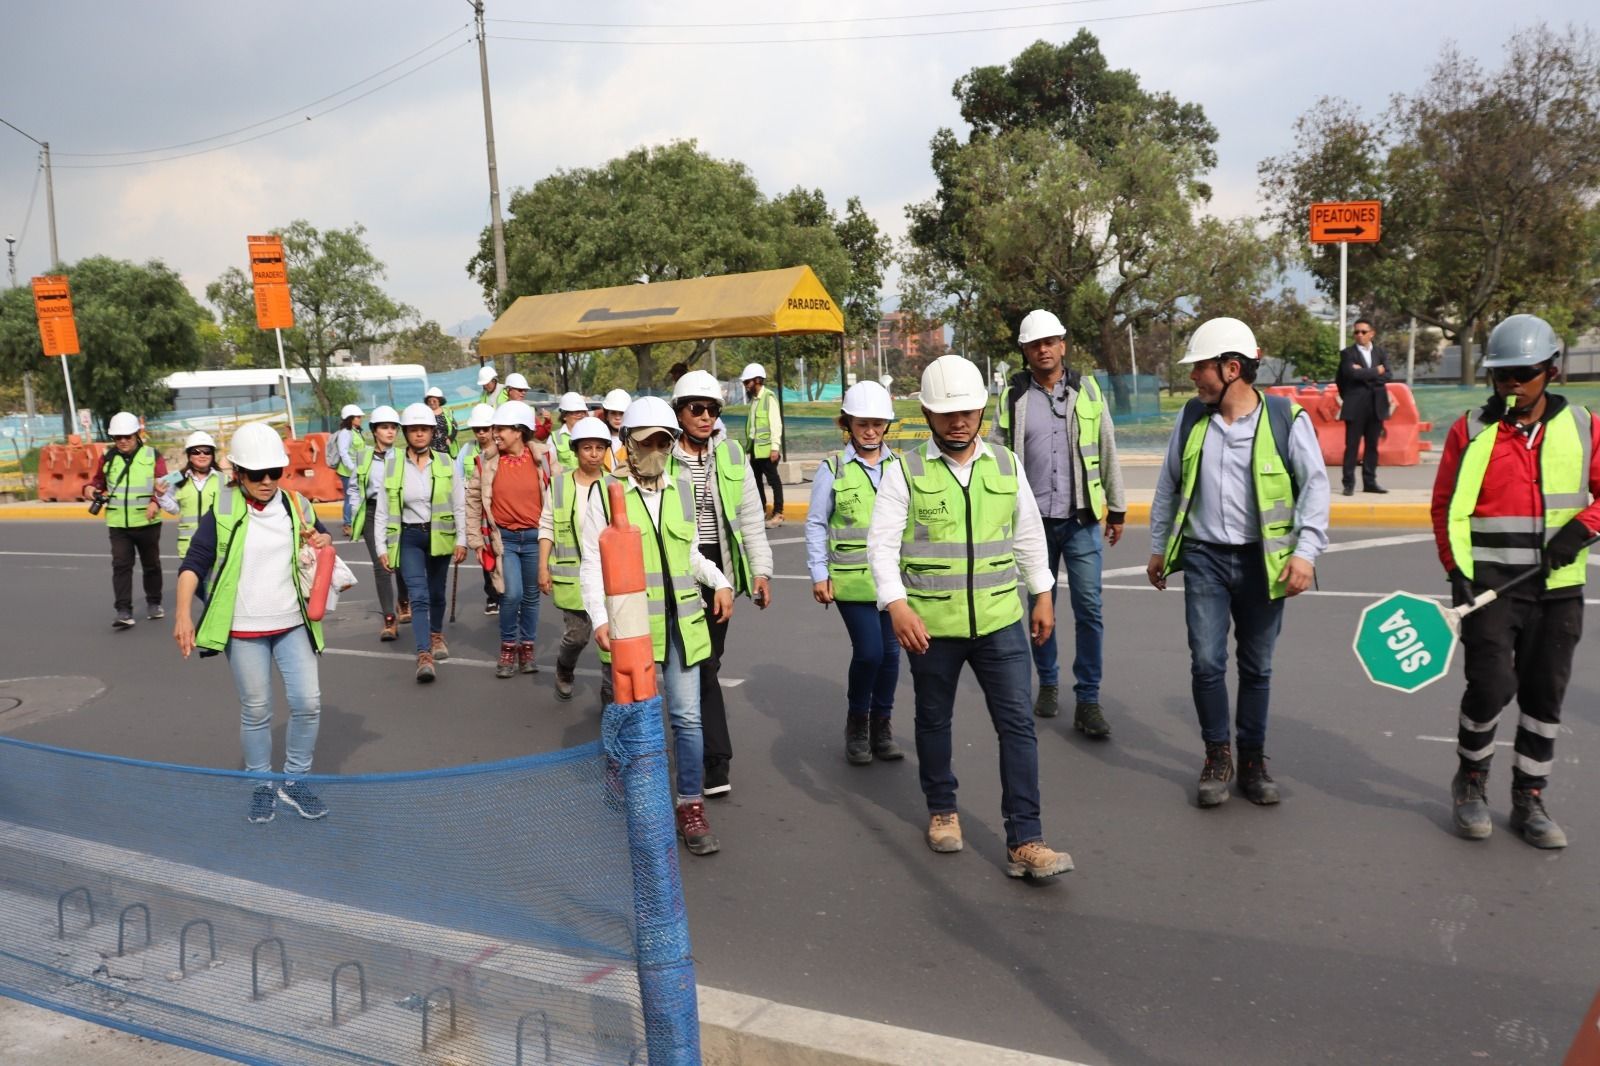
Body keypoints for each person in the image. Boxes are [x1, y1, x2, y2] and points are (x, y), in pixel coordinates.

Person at [867, 355, 1073, 880]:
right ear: (929, 414)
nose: (958, 422)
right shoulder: (904, 472)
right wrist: (896, 604)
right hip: (931, 627)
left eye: (968, 411)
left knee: (1018, 726)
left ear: (981, 410)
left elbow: (1028, 534)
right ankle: (942, 810)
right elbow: (881, 547)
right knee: (935, 720)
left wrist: (1043, 593)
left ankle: (1026, 839)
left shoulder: (1005, 465)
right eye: (946, 413)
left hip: (1001, 621)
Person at [1145, 317, 1330, 808]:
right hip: (1204, 558)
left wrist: (1306, 553)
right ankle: (1216, 755)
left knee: (1257, 666)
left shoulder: (1286, 419)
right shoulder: (1191, 418)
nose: (1193, 378)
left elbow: (1315, 487)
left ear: (1231, 368)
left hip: (1262, 561)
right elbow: (1168, 485)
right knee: (1206, 662)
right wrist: (1158, 546)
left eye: (1199, 368)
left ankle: (1252, 758)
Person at [1432, 313, 1600, 849]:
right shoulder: (1471, 430)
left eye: (1522, 373)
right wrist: (1456, 573)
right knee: (1491, 686)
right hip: (1489, 588)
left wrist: (1580, 530)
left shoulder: (1583, 426)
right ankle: (1471, 780)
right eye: (1501, 375)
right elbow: (1446, 509)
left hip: (1559, 588)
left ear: (1551, 370)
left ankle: (1529, 796)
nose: (1511, 385)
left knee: (1544, 695)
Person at [581, 396, 734, 856]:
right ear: (627, 443)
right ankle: (641, 797)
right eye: (646, 442)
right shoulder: (606, 495)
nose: (655, 450)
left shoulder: (682, 488)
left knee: (687, 718)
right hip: (633, 628)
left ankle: (689, 804)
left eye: (663, 442)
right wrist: (599, 618)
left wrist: (720, 581)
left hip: (683, 622)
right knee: (638, 719)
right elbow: (593, 563)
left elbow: (688, 553)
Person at [172, 423, 332, 824]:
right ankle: (260, 786)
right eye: (256, 474)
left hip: (292, 621)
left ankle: (294, 782)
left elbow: (323, 538)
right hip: (243, 628)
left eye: (273, 473)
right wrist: (182, 615)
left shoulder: (296, 504)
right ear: (237, 473)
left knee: (308, 703)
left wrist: (321, 542)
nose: (266, 482)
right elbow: (194, 564)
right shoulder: (223, 509)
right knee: (257, 709)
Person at [994, 309, 1127, 737]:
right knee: (1040, 607)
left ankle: (1088, 698)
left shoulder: (1086, 391)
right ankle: (1048, 684)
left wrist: (1118, 507)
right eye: (1035, 343)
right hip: (1032, 525)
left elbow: (1107, 446)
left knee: (1090, 608)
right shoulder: (1013, 396)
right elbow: (996, 457)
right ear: (1025, 351)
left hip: (1081, 519)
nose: (1044, 349)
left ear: (1063, 345)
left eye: (1050, 341)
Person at [671, 371, 775, 796]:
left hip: (720, 567)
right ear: (679, 412)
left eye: (712, 410)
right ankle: (715, 758)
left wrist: (761, 571)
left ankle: (701, 743)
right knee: (698, 662)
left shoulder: (732, 454)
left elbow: (751, 518)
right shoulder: (661, 453)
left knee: (708, 661)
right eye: (697, 409)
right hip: (677, 566)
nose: (705, 417)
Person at [807, 380, 904, 765]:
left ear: (886, 426)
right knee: (869, 653)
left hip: (893, 582)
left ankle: (882, 724)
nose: (870, 431)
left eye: (878, 424)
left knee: (892, 655)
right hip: (851, 581)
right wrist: (818, 572)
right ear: (848, 423)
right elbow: (816, 522)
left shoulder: (900, 468)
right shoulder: (833, 468)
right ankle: (857, 724)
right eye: (862, 423)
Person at [375, 404, 468, 682]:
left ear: (431, 432)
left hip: (440, 535)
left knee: (437, 593)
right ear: (406, 433)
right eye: (414, 430)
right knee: (418, 595)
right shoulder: (393, 466)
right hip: (409, 537)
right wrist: (382, 547)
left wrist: (461, 539)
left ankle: (437, 634)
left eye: (424, 430)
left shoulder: (446, 462)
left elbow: (459, 505)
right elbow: (382, 510)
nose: (419, 435)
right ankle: (424, 654)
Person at [467, 400, 545, 678]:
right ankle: (508, 646)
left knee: (532, 596)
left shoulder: (544, 458)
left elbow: (557, 498)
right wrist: (476, 541)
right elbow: (473, 501)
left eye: (501, 428)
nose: (495, 433)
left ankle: (527, 648)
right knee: (511, 595)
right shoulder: (486, 461)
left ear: (519, 431)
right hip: (505, 541)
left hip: (536, 538)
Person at [538, 416, 611, 702]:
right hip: (573, 577)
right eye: (587, 448)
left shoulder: (615, 484)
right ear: (576, 450)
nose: (593, 454)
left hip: (609, 576)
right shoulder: (558, 486)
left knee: (610, 640)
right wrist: (543, 566)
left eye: (599, 448)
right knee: (578, 636)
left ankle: (609, 694)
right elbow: (546, 525)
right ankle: (564, 667)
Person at [86, 411, 168, 628]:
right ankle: (123, 611)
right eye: (117, 437)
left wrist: (155, 502)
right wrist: (90, 490)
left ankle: (154, 603)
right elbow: (97, 482)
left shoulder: (153, 455)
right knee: (121, 565)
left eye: (127, 437)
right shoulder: (107, 456)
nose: (122, 441)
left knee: (151, 565)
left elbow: (164, 485)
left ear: (137, 434)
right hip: (118, 523)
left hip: (147, 522)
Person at [343, 406, 408, 641]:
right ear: (373, 431)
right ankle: (389, 620)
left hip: (397, 514)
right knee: (381, 566)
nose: (390, 432)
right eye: (384, 427)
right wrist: (355, 507)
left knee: (400, 562)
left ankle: (404, 600)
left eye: (393, 427)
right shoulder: (363, 457)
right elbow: (353, 486)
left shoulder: (403, 456)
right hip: (372, 513)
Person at [1335, 317, 1391, 495]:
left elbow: (1388, 375)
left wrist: (1363, 372)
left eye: (1363, 332)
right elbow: (1349, 375)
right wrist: (1376, 371)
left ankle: (1370, 482)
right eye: (1356, 332)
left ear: (1371, 334)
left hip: (1376, 405)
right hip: (1355, 405)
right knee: (1352, 446)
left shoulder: (1380, 353)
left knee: (1372, 446)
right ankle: (1348, 483)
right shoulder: (1348, 354)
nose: (1359, 335)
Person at [457, 402, 501, 617]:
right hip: (478, 509)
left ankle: (508, 595)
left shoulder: (502, 450)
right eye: (477, 429)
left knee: (504, 553)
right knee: (485, 552)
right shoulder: (466, 450)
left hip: (499, 508)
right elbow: (458, 480)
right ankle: (492, 595)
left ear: (494, 428)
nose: (481, 433)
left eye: (485, 429)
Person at [154, 431, 224, 563]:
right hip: (189, 548)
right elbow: (174, 509)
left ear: (212, 455)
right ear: (189, 455)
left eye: (207, 451)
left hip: (215, 546)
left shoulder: (223, 480)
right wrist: (161, 495)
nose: (202, 455)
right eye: (196, 452)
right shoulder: (178, 477)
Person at [739, 363, 785, 528]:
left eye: (747, 382)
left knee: (774, 481)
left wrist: (775, 447)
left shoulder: (768, 398)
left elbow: (775, 423)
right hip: (755, 450)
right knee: (756, 482)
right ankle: (762, 511)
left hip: (767, 450)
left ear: (757, 380)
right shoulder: (754, 401)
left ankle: (778, 513)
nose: (746, 386)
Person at [330, 405, 367, 526]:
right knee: (350, 498)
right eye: (357, 417)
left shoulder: (355, 432)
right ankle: (348, 524)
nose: (360, 418)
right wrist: (352, 469)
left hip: (357, 470)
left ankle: (356, 521)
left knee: (358, 497)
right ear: (350, 418)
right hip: (348, 472)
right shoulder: (345, 433)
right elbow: (343, 452)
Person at [552, 392, 589, 471]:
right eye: (575, 412)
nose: (580, 415)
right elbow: (550, 466)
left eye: (582, 412)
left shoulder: (592, 434)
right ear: (564, 416)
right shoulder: (555, 437)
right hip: (565, 482)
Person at [424, 387, 458, 458]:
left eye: (434, 401)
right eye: (429, 401)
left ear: (439, 401)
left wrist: (450, 438)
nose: (431, 403)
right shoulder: (425, 413)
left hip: (445, 448)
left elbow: (455, 427)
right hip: (430, 448)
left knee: (446, 466)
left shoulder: (447, 412)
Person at [601, 388, 631, 469]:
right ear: (607, 416)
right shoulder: (599, 439)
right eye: (613, 413)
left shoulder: (635, 440)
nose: (617, 417)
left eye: (621, 413)